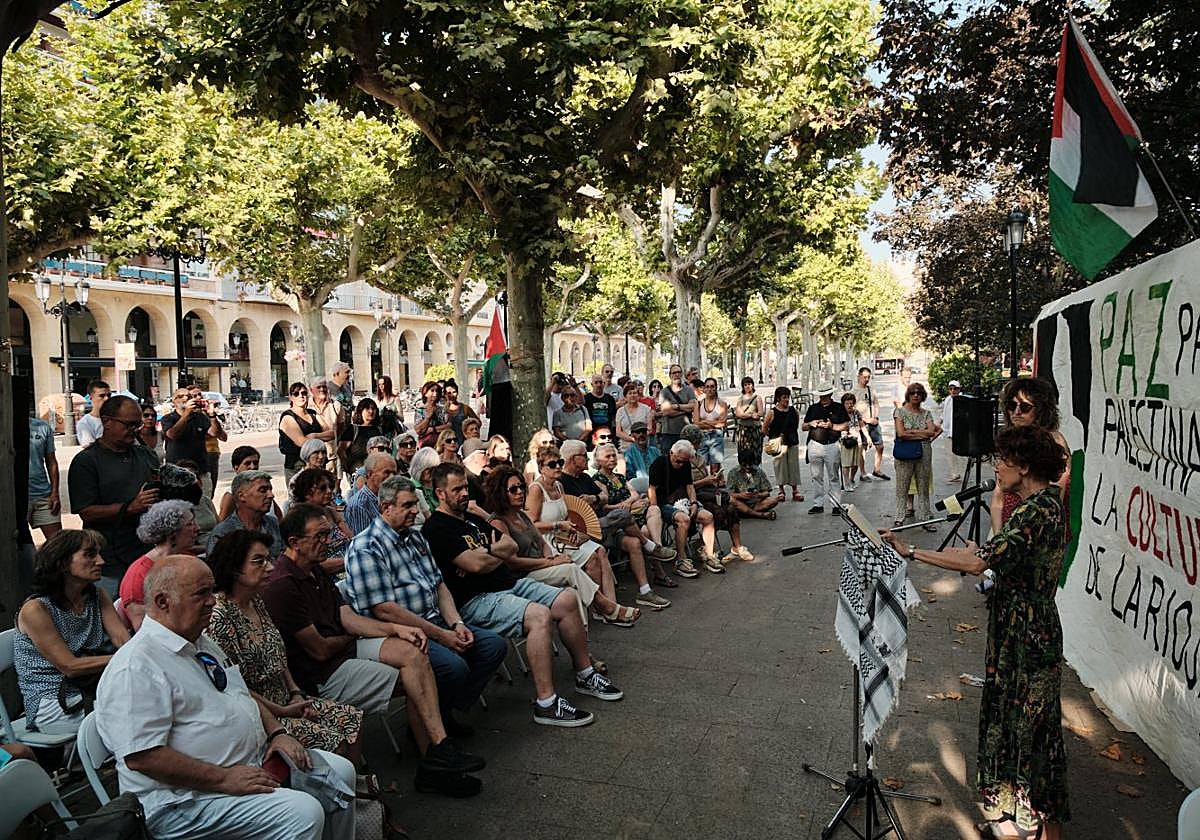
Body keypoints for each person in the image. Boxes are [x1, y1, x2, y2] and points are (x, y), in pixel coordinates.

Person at [882, 425, 1070, 840]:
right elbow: (992, 558)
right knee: (1016, 721)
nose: (997, 468)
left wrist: (911, 551)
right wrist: (976, 554)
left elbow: (976, 564)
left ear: (1024, 466)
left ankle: (1038, 825)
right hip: (1021, 626)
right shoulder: (1043, 504)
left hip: (1027, 634)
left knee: (1032, 729)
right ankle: (1018, 817)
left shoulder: (1036, 510)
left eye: (1003, 461)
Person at [95, 555, 358, 840]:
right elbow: (143, 757)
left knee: (341, 772)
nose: (212, 601)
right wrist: (224, 779)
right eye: (201, 593)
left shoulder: (198, 641)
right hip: (184, 801)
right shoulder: (136, 666)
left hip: (248, 766)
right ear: (163, 602)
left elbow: (239, 693)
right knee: (303, 813)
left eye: (212, 591)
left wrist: (278, 733)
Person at [264, 504, 485, 795]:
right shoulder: (283, 585)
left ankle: (438, 750)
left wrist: (396, 629)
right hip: (321, 674)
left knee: (413, 652)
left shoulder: (314, 569)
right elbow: (320, 650)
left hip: (342, 650)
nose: (328, 541)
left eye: (328, 534)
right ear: (295, 542)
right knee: (415, 678)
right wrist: (352, 635)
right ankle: (435, 758)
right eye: (320, 536)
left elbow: (347, 618)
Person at [422, 463, 622, 727]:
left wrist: (486, 554)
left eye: (465, 487)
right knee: (539, 616)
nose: (464, 493)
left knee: (567, 599)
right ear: (440, 493)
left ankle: (585, 673)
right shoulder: (436, 528)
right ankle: (546, 703)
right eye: (456, 489)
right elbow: (476, 565)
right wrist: (489, 555)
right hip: (475, 599)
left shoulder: (472, 519)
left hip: (508, 583)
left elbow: (510, 545)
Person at [207, 530, 367, 778]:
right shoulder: (220, 618)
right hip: (259, 713)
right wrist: (281, 711)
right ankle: (340, 793)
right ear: (235, 569)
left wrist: (295, 693)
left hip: (286, 699)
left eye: (268, 559)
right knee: (335, 741)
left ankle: (355, 789)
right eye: (258, 561)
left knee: (352, 719)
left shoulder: (256, 601)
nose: (270, 567)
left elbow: (279, 656)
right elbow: (232, 684)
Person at [485, 465, 664, 625]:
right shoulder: (498, 522)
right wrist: (550, 562)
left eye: (521, 487)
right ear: (500, 493)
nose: (520, 492)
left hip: (548, 555)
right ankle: (606, 607)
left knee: (594, 554)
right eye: (513, 489)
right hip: (523, 575)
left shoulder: (521, 514)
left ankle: (605, 611)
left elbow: (541, 541)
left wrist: (553, 557)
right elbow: (512, 563)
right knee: (572, 569)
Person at [14, 529, 129, 734]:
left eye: (99, 553)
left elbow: (122, 640)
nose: (101, 561)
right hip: (51, 702)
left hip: (91, 689)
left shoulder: (97, 596)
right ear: (62, 563)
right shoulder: (36, 609)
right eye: (90, 554)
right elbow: (70, 666)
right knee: (135, 712)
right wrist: (129, 656)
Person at [524, 444, 638, 626]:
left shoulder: (559, 485)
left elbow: (566, 513)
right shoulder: (536, 489)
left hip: (564, 535)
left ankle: (610, 605)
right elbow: (531, 525)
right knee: (592, 557)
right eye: (552, 464)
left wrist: (570, 529)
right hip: (547, 541)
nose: (558, 467)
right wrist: (557, 525)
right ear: (541, 468)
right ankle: (603, 608)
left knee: (600, 551)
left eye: (559, 462)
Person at [68, 395, 161, 593]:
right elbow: (86, 512)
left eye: (137, 424)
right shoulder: (86, 461)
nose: (135, 430)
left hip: (148, 553)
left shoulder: (145, 454)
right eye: (128, 425)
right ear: (107, 422)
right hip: (109, 560)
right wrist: (131, 507)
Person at [591, 442, 675, 603]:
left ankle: (657, 546)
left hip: (634, 513)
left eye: (614, 455)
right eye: (607, 456)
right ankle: (658, 571)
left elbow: (634, 494)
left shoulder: (619, 477)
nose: (612, 459)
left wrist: (629, 502)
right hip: (619, 520)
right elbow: (604, 506)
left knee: (654, 509)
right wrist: (625, 506)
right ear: (598, 460)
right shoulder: (598, 480)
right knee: (644, 533)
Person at [990, 377, 1072, 536]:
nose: (1017, 412)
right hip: (1010, 529)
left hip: (1038, 531)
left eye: (1025, 407)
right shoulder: (1011, 442)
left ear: (1041, 410)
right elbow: (998, 497)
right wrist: (999, 537)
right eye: (1011, 406)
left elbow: (1054, 499)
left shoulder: (1054, 443)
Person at [120, 500, 200, 631]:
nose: (197, 528)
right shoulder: (139, 574)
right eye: (190, 524)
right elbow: (143, 629)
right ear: (172, 534)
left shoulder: (189, 558)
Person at [648, 440, 719, 577]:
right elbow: (652, 489)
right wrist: (655, 510)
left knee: (708, 517)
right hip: (664, 502)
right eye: (678, 461)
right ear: (671, 453)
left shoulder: (685, 463)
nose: (681, 465)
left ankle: (709, 555)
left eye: (684, 462)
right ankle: (681, 560)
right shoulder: (659, 464)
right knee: (684, 519)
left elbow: (690, 486)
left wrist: (694, 503)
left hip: (682, 500)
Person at [161, 385, 227, 495]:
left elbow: (215, 433)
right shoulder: (168, 418)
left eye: (188, 396)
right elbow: (172, 434)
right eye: (181, 396)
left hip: (200, 470)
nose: (185, 398)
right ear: (174, 401)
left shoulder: (199, 417)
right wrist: (186, 413)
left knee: (204, 500)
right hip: (176, 471)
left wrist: (212, 415)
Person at [289, 468, 355, 575]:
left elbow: (353, 541)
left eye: (331, 487)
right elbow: (311, 565)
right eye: (323, 488)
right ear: (307, 493)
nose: (329, 491)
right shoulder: (300, 519)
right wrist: (352, 560)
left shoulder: (331, 512)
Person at [892, 382, 938, 530]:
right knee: (902, 486)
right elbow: (901, 433)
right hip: (905, 452)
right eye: (913, 393)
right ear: (908, 395)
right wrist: (921, 434)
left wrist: (911, 432)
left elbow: (932, 432)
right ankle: (899, 517)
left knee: (923, 487)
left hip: (924, 452)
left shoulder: (927, 413)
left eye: (919, 393)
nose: (916, 395)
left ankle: (925, 518)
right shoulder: (899, 412)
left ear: (923, 396)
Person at [206, 471, 283, 558]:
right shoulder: (223, 532)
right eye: (262, 491)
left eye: (270, 490)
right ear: (241, 496)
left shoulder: (273, 523)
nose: (271, 495)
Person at [802, 386, 849, 515]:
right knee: (816, 475)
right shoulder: (813, 408)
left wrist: (832, 426)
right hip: (815, 444)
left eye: (826, 396)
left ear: (830, 395)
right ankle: (818, 504)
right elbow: (803, 426)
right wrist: (811, 424)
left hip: (831, 444)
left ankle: (836, 504)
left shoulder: (838, 408)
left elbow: (846, 425)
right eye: (821, 396)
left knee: (833, 475)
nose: (823, 398)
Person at [279, 382, 332, 484]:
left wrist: (314, 435)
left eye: (304, 393)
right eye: (296, 394)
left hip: (318, 462)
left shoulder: (312, 413)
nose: (301, 396)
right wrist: (321, 438)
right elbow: (302, 442)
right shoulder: (288, 417)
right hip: (297, 465)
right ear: (290, 397)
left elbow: (331, 433)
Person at [219, 446, 283, 522]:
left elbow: (279, 517)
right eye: (247, 463)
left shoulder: (265, 489)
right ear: (236, 468)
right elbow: (222, 523)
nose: (253, 467)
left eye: (255, 463)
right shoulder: (231, 495)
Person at [762, 386, 803, 503]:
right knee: (780, 467)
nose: (786, 400)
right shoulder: (772, 412)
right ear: (778, 398)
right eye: (784, 397)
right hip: (779, 444)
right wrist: (773, 438)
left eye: (788, 397)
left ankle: (795, 490)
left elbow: (796, 425)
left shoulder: (794, 411)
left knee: (794, 466)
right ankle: (781, 490)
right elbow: (764, 428)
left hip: (792, 442)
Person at [850, 367, 891, 481]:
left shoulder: (871, 389)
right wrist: (866, 420)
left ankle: (877, 469)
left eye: (868, 377)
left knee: (880, 446)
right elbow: (852, 410)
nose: (866, 379)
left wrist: (875, 417)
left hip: (873, 422)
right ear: (859, 376)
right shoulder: (853, 392)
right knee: (862, 448)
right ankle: (863, 473)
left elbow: (876, 403)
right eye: (864, 377)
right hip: (861, 423)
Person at [345, 452, 398, 535]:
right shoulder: (359, 505)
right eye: (386, 473)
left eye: (394, 473)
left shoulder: (390, 497)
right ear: (370, 474)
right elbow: (364, 540)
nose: (392, 477)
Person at [28, 414, 62, 538]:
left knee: (58, 542)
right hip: (14, 498)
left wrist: (55, 492)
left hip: (43, 496)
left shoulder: (42, 427)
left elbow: (51, 462)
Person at [310, 376, 347, 482]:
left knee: (332, 487)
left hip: (331, 458)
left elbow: (341, 428)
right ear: (311, 390)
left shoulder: (336, 406)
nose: (322, 389)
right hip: (311, 458)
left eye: (324, 387)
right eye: (319, 387)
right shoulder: (306, 406)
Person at [726, 450, 780, 520]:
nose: (748, 467)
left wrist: (758, 495)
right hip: (740, 502)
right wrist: (740, 495)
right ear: (740, 463)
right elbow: (729, 494)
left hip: (756, 503)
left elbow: (767, 492)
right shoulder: (733, 473)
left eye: (750, 464)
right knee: (731, 501)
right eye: (744, 465)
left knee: (773, 500)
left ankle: (746, 512)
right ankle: (759, 515)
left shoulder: (759, 472)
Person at [656, 364, 696, 453]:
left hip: (686, 432)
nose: (677, 374)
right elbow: (667, 412)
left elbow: (693, 406)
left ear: (681, 374)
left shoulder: (689, 390)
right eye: (674, 373)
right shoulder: (664, 392)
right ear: (670, 375)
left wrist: (677, 406)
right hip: (669, 433)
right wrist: (686, 409)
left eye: (679, 372)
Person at [338, 398, 382, 477]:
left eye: (373, 408)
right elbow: (341, 450)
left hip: (376, 471)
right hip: (357, 472)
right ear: (360, 411)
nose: (371, 411)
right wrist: (348, 467)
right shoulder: (352, 429)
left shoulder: (380, 429)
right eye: (367, 408)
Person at [692, 377, 727, 474]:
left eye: (712, 386)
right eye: (707, 387)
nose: (710, 389)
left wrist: (704, 421)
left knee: (715, 467)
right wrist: (714, 423)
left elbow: (722, 423)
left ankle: (715, 483)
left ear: (716, 388)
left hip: (716, 436)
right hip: (702, 436)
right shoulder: (699, 403)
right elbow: (696, 423)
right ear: (704, 389)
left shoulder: (721, 403)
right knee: (701, 466)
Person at [732, 377, 764, 466]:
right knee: (743, 452)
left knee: (755, 451)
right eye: (745, 385)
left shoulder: (757, 398)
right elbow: (738, 414)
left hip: (754, 429)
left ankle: (755, 468)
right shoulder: (740, 399)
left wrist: (745, 415)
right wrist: (751, 415)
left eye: (749, 384)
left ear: (752, 385)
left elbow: (760, 413)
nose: (747, 386)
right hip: (743, 430)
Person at [839, 392, 866, 492]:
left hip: (857, 439)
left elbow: (862, 425)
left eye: (851, 403)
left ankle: (851, 479)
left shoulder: (856, 412)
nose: (849, 405)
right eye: (847, 403)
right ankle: (846, 483)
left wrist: (867, 437)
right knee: (846, 463)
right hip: (845, 440)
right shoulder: (840, 413)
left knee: (855, 463)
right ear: (843, 404)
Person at [614, 383, 651, 450]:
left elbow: (649, 429)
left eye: (634, 393)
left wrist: (640, 437)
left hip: (642, 446)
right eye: (630, 393)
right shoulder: (620, 411)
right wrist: (632, 439)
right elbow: (618, 432)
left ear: (638, 395)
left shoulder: (646, 409)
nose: (632, 395)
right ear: (625, 397)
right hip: (625, 447)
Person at [75, 379, 110, 447]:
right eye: (102, 396)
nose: (106, 398)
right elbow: (90, 448)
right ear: (91, 397)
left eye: (109, 395)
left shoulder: (117, 417)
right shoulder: (85, 423)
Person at [583, 374, 618, 440]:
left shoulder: (610, 398)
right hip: (591, 434)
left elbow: (613, 417)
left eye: (601, 382)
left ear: (604, 384)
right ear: (592, 384)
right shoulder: (586, 399)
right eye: (596, 382)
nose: (599, 385)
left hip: (607, 434)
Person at [943, 380, 965, 483]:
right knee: (950, 454)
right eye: (950, 389)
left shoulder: (962, 400)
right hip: (948, 431)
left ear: (959, 389)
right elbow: (944, 415)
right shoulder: (948, 400)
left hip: (959, 432)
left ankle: (963, 474)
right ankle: (955, 474)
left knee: (961, 455)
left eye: (955, 389)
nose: (953, 391)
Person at [415, 381, 448, 449]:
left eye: (437, 391)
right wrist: (428, 417)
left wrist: (432, 429)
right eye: (432, 391)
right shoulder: (420, 410)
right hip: (425, 445)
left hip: (441, 444)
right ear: (425, 393)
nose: (435, 393)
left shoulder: (442, 409)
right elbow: (418, 430)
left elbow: (448, 426)